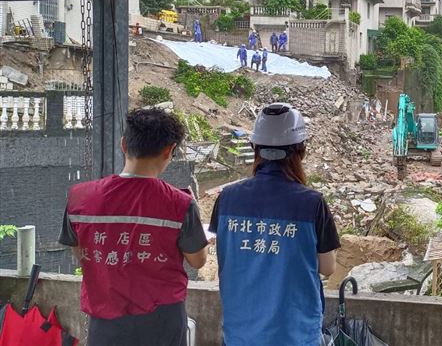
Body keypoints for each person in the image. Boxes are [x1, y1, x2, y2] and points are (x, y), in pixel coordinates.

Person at [59, 108, 208, 346]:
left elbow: (81, 251)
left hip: (105, 319)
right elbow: (198, 261)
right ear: (169, 151)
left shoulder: (79, 198)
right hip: (163, 321)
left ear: (123, 144)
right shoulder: (180, 203)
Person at [210, 103, 340, 345]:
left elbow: (226, 253)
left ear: (255, 148)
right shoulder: (312, 204)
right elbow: (328, 267)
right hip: (295, 334)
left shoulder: (227, 198)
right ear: (301, 151)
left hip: (240, 334)